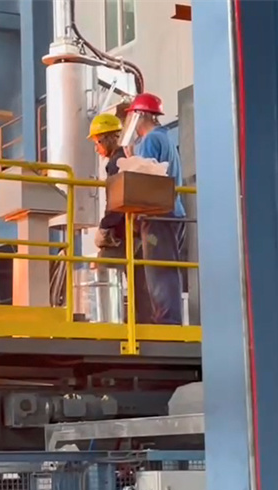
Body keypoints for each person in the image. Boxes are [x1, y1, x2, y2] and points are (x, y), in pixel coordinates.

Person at [124, 92, 186, 325]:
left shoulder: (150, 140)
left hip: (157, 215)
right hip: (172, 212)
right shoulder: (165, 138)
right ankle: (169, 317)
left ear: (142, 115)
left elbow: (145, 177)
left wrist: (130, 160)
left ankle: (167, 320)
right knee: (166, 265)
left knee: (158, 269)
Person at [89, 113, 152, 323]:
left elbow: (116, 202)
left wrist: (105, 228)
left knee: (103, 272)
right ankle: (144, 324)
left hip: (121, 232)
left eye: (97, 143)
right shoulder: (128, 157)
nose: (97, 149)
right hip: (138, 228)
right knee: (139, 281)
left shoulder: (116, 163)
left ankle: (106, 323)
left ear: (107, 138)